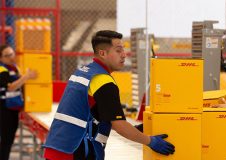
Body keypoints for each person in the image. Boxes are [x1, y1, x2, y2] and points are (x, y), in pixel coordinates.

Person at [43, 30, 175, 160]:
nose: (124, 55)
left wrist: (133, 130)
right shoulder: (103, 81)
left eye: (123, 50)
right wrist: (150, 141)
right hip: (74, 151)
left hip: (58, 146)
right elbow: (119, 125)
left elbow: (89, 114)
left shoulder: (83, 72)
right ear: (103, 53)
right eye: (118, 50)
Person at [0, 44, 37, 160]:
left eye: (12, 54)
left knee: (9, 139)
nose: (11, 57)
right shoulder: (2, 70)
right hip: (4, 110)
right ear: (1, 58)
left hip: (13, 108)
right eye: (7, 55)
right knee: (6, 140)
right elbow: (10, 87)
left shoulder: (14, 67)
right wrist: (26, 77)